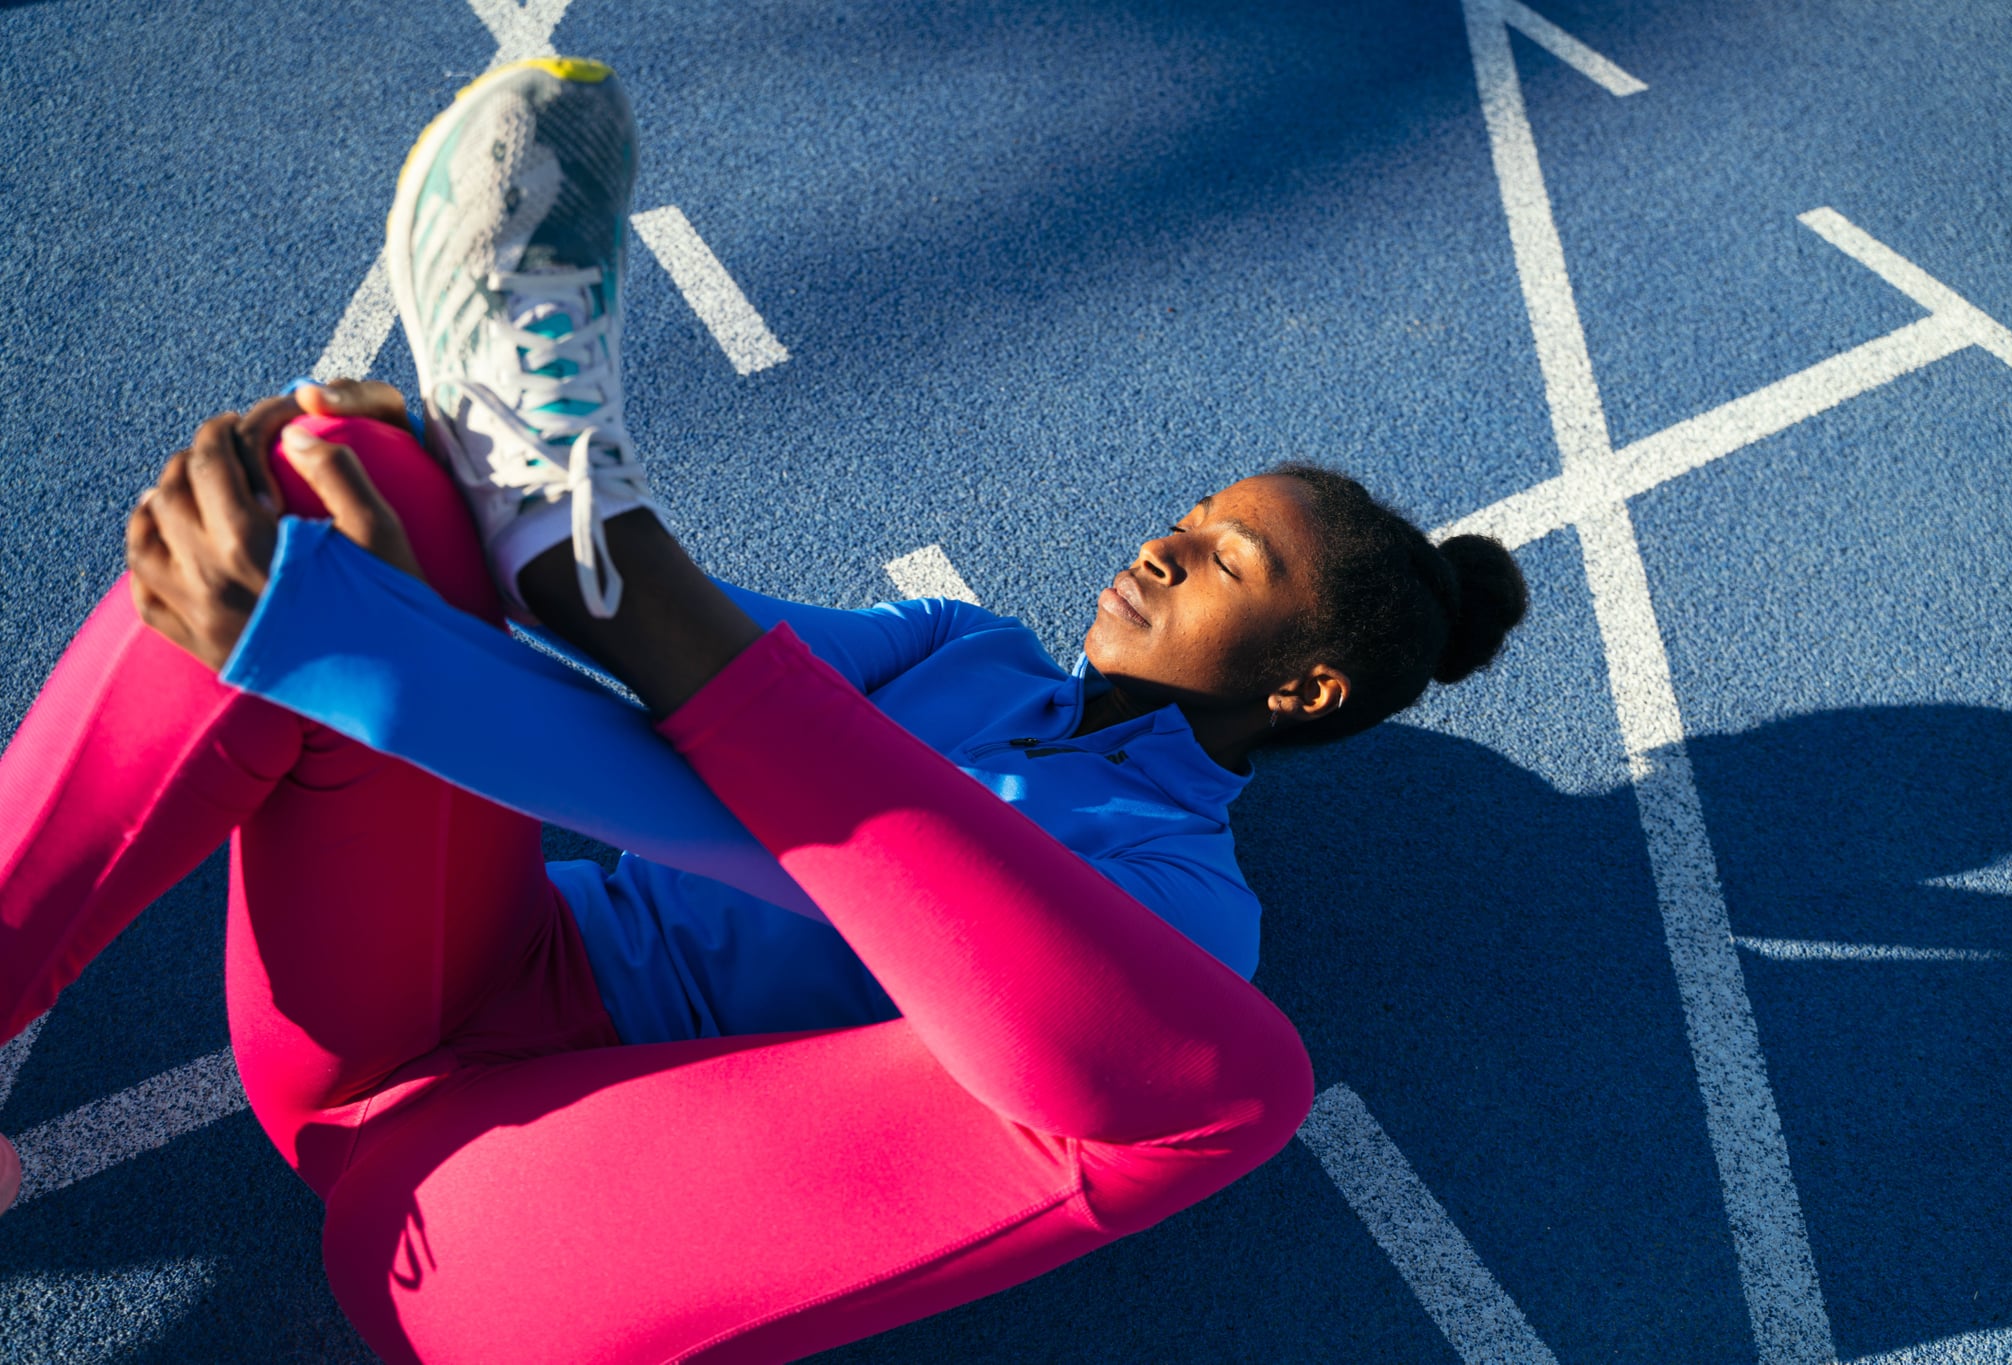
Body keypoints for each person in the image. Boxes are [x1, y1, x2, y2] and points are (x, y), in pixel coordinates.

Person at [0, 58, 1526, 1362]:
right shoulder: (967, 648)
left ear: (1304, 684)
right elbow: (687, 683)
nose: (1163, 545)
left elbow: (812, 868)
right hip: (418, 992)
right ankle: (571, 535)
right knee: (348, 493)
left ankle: (583, 539)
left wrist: (382, 667)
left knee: (1222, 1081)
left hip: (516, 1204)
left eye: (1224, 560)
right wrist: (402, 600)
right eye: (1188, 513)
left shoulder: (1186, 909)